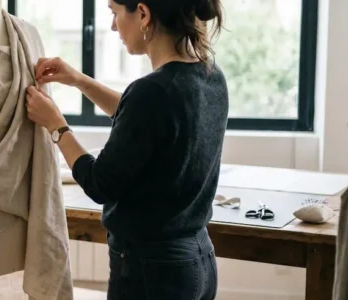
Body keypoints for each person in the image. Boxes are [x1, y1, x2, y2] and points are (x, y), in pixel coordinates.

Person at [25, 0, 228, 299]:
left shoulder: (151, 92)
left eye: (114, 12)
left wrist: (56, 126)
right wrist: (79, 80)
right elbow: (142, 118)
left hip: (151, 271)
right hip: (198, 262)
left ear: (143, 14)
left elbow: (99, 183)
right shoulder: (210, 76)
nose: (112, 25)